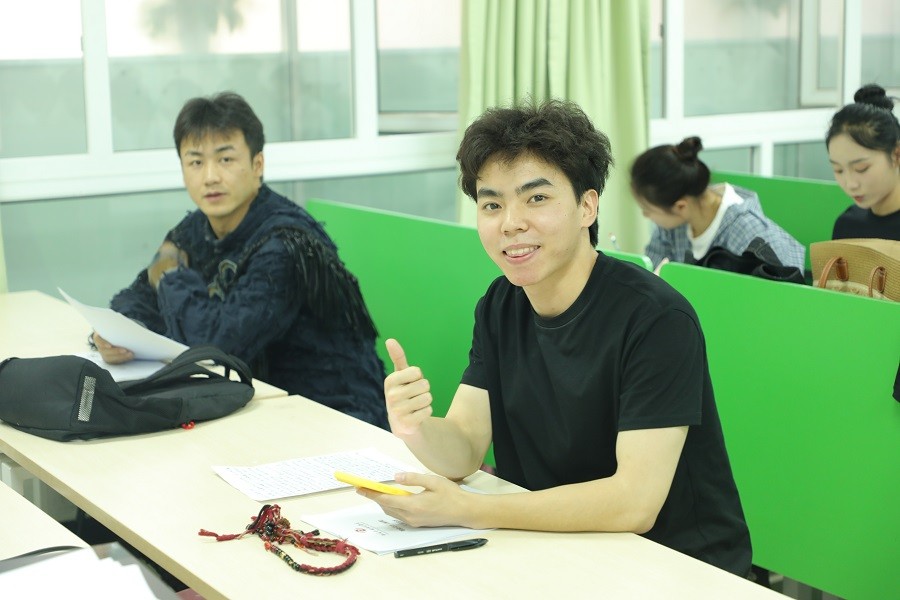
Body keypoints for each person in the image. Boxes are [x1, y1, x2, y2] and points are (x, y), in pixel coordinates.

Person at [360, 100, 753, 577]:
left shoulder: (656, 318)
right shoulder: (502, 303)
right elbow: (463, 448)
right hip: (553, 547)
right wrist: (416, 428)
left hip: (677, 568)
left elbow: (633, 502)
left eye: (536, 198)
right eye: (492, 204)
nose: (510, 222)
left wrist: (470, 509)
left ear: (587, 206)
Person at [92, 91, 388, 429]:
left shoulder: (284, 243)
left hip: (336, 416)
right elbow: (138, 297)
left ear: (257, 165)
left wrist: (170, 274)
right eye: (196, 162)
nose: (210, 177)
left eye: (226, 159)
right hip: (261, 406)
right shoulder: (194, 229)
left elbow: (217, 346)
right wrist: (122, 335)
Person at [629, 137, 805, 272]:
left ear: (681, 206)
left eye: (647, 210)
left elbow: (787, 291)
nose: (645, 215)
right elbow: (650, 273)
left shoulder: (751, 234)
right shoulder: (672, 224)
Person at [826, 84, 900, 240]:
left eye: (861, 168)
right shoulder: (847, 226)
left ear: (896, 155)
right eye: (838, 170)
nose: (850, 184)